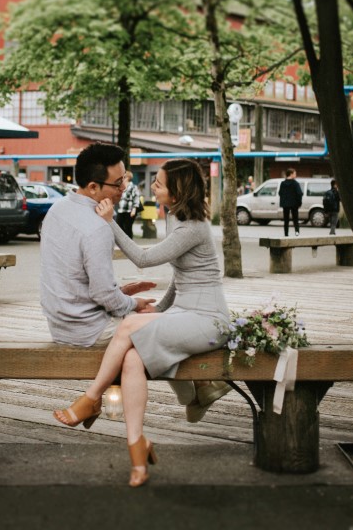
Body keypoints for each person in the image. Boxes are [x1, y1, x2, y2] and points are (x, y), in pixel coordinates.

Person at [51, 159, 231, 488]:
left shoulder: (193, 227)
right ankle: (137, 446)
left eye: (159, 184)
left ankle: (91, 398)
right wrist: (159, 308)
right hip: (184, 314)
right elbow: (182, 274)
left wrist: (110, 222)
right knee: (132, 357)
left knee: (127, 326)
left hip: (209, 321)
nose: (153, 188)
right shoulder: (176, 216)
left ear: (177, 191)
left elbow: (144, 259)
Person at [39, 143, 156, 348]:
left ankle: (118, 381)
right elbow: (104, 296)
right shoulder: (98, 225)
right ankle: (203, 380)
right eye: (118, 183)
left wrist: (122, 292)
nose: (124, 188)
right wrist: (134, 303)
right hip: (93, 331)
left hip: (59, 328)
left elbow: (75, 279)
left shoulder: (56, 210)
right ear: (93, 187)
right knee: (165, 329)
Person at [279, 168, 303, 236]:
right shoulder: (295, 183)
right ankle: (297, 231)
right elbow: (299, 193)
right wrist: (299, 202)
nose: (295, 175)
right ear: (291, 174)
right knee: (295, 218)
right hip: (294, 204)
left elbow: (280, 193)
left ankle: (286, 234)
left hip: (285, 204)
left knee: (286, 220)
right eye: (295, 173)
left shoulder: (283, 183)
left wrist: (283, 201)